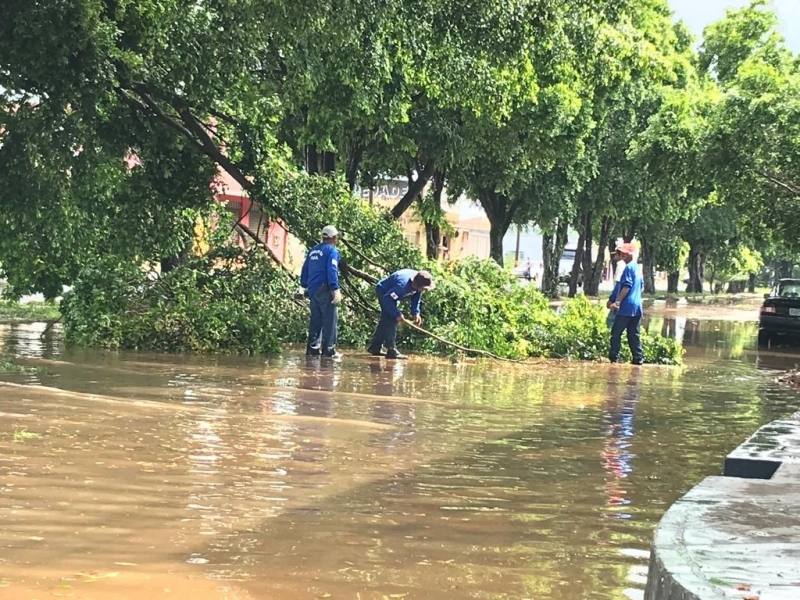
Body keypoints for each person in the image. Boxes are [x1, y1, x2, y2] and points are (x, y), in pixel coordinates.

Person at [368, 269, 436, 360]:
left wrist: (415, 312)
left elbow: (416, 297)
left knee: (385, 319)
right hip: (384, 292)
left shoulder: (418, 285)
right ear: (417, 285)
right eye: (423, 288)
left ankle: (375, 347)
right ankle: (391, 350)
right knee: (391, 318)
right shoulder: (402, 286)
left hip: (391, 296)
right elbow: (387, 299)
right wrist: (397, 314)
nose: (424, 290)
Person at [300, 225, 342, 359]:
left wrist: (304, 286)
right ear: (334, 238)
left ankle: (312, 349)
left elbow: (305, 269)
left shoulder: (312, 250)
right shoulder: (332, 251)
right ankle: (329, 350)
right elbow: (332, 269)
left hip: (313, 290)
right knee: (330, 320)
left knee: (315, 321)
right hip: (325, 289)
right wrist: (335, 289)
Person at [607, 242, 644, 365]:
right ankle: (638, 359)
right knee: (633, 335)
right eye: (621, 252)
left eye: (624, 253)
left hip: (626, 308)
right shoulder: (637, 268)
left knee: (616, 333)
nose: (622, 254)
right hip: (637, 307)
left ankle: (613, 359)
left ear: (630, 254)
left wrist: (617, 302)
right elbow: (641, 287)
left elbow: (626, 287)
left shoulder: (628, 268)